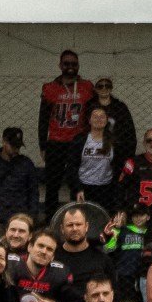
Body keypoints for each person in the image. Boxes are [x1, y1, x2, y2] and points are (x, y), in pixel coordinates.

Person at [38, 49, 95, 213]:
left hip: (78, 141)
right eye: (66, 63)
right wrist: (43, 144)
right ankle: (50, 221)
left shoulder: (87, 86)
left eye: (74, 64)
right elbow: (43, 118)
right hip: (56, 142)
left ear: (78, 66)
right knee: (52, 184)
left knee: (76, 184)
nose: (70, 66)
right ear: (60, 65)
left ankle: (76, 219)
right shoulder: (50, 88)